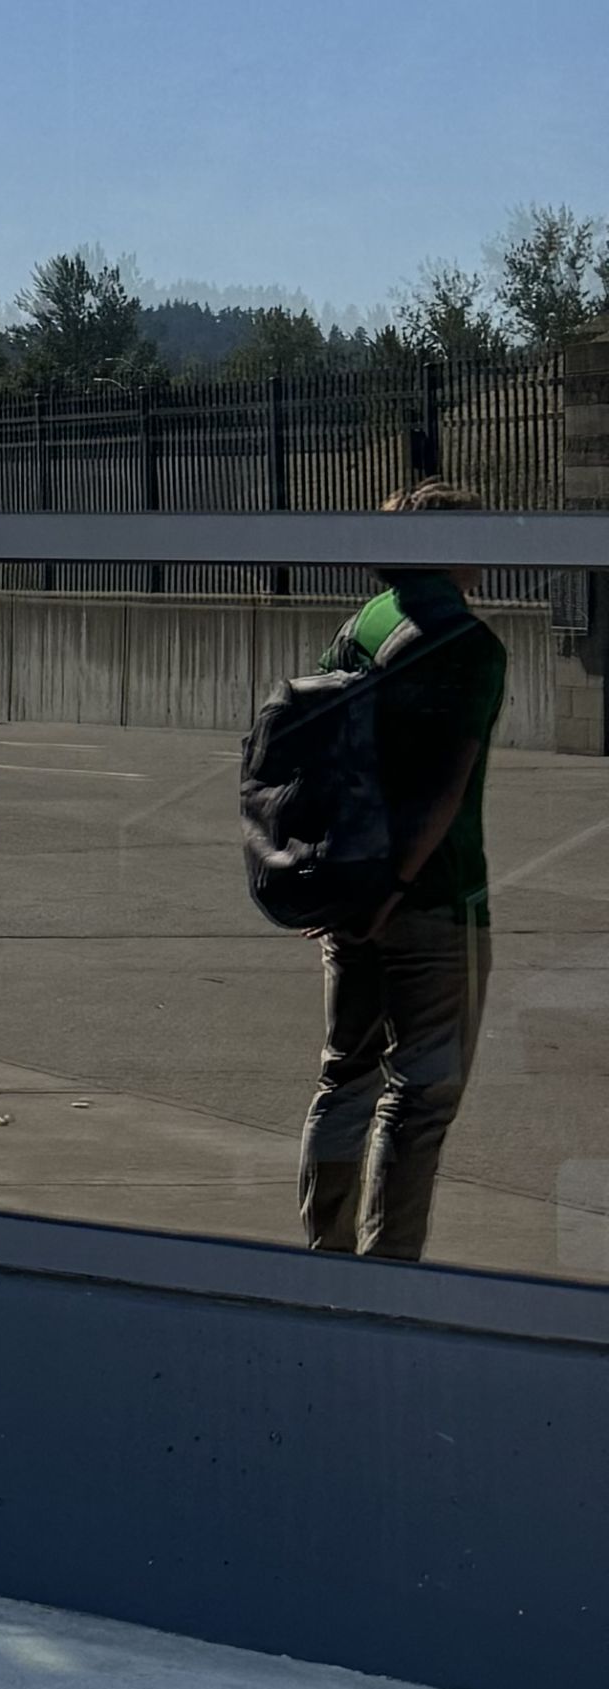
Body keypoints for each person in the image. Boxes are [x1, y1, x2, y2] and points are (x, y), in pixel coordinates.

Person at [297, 483, 506, 1263]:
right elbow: (447, 785)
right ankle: (390, 1268)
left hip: (350, 891)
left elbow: (320, 751)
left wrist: (340, 884)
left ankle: (325, 1248)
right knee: (421, 1097)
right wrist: (396, 887)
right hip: (435, 898)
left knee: (343, 1077)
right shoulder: (469, 643)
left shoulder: (360, 627)